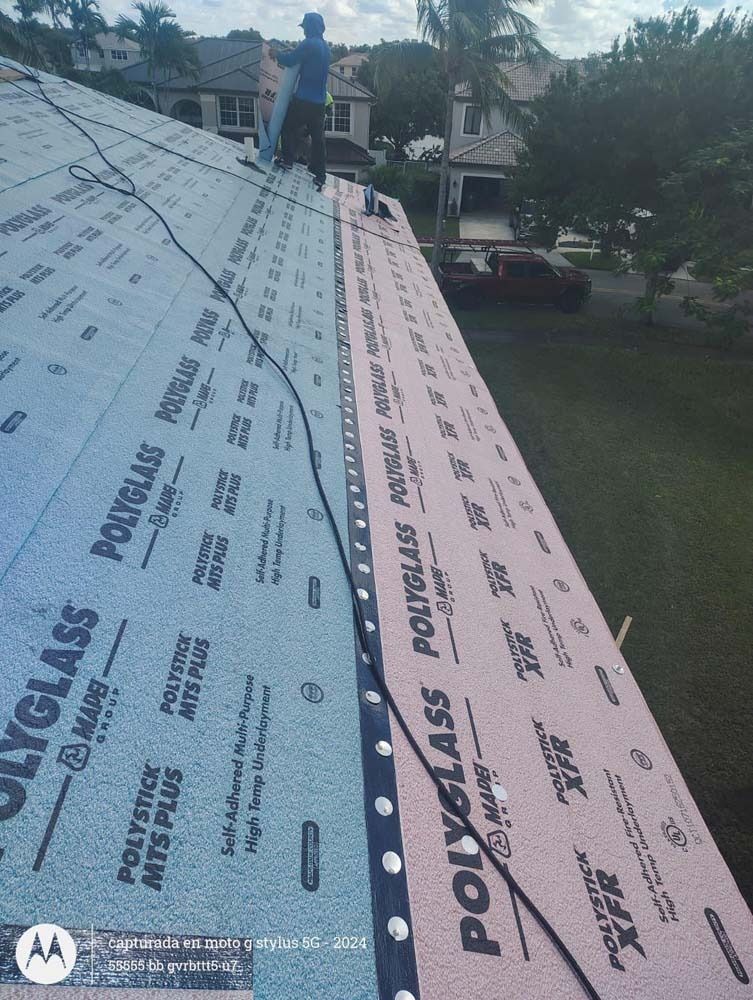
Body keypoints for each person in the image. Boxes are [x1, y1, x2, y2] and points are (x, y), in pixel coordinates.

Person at [274, 13, 330, 189]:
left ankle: (288, 159)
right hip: (320, 103)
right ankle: (319, 174)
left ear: (310, 27)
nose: (303, 30)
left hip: (304, 99)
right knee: (318, 140)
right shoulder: (325, 47)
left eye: (304, 27)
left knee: (288, 126)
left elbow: (290, 61)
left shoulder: (309, 43)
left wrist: (276, 54)